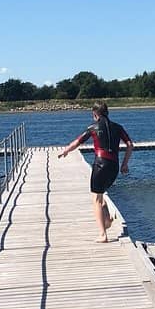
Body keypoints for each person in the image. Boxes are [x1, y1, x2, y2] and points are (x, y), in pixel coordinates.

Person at [57, 102, 133, 242]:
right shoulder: (118, 127)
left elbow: (78, 142)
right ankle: (108, 220)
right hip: (114, 166)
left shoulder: (93, 128)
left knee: (96, 199)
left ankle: (103, 234)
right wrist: (124, 164)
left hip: (100, 164)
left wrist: (66, 150)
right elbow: (130, 144)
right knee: (101, 194)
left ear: (95, 114)